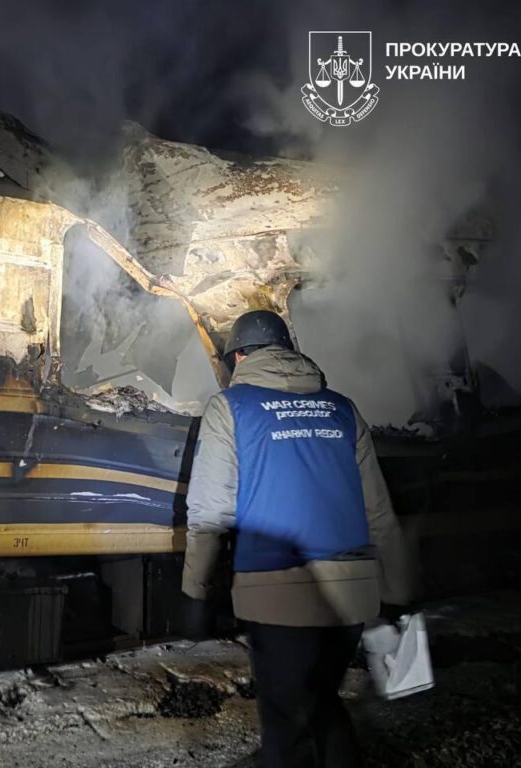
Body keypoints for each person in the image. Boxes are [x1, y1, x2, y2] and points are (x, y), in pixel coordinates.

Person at [182, 309, 413, 768]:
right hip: (351, 593)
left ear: (238, 356)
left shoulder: (230, 407)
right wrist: (397, 592)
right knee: (321, 702)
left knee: (287, 723)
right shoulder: (342, 408)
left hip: (277, 591)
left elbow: (210, 513)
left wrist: (196, 592)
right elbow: (379, 512)